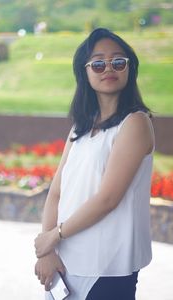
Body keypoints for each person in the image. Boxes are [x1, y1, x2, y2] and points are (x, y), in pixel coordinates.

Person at [34, 28, 155, 300]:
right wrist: (48, 250)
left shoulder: (135, 123)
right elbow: (56, 192)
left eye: (118, 61)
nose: (108, 68)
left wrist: (54, 236)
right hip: (64, 262)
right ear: (85, 72)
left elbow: (108, 198)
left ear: (129, 68)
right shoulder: (80, 127)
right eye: (98, 63)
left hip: (107, 265)